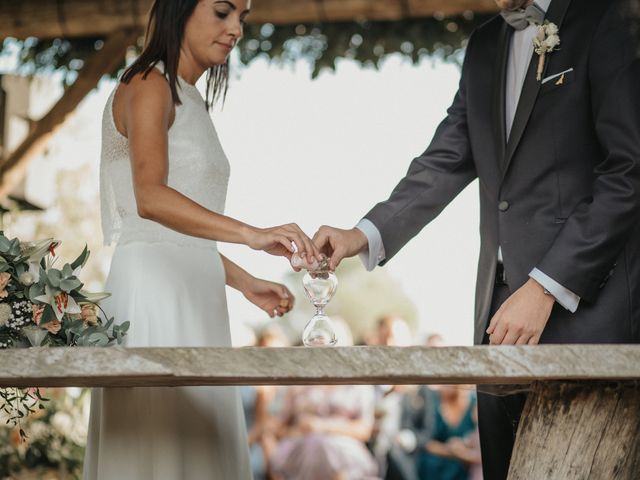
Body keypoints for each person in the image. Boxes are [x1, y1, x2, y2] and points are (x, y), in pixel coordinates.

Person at [312, 1, 640, 478]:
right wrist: (362, 235)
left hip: (589, 309)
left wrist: (546, 285)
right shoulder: (486, 43)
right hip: (497, 310)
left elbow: (629, 171)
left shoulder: (608, 18)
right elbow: (446, 158)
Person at [84, 1, 320, 478]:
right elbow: (148, 200)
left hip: (197, 293)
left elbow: (175, 229)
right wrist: (250, 234)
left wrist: (242, 280)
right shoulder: (149, 83)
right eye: (222, 11)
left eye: (243, 18)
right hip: (153, 295)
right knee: (159, 444)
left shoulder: (188, 96)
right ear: (178, 9)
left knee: (199, 449)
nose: (236, 29)